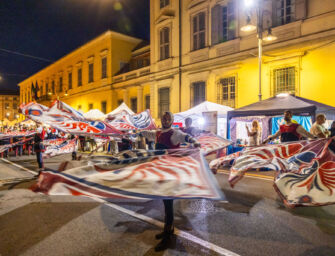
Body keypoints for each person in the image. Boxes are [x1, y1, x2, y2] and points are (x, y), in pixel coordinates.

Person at [140, 111, 200, 251]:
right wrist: (139, 133)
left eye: (168, 118)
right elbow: (147, 134)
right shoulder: (159, 133)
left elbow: (186, 137)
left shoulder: (175, 133)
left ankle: (168, 236)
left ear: (172, 120)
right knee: (165, 204)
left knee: (168, 204)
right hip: (161, 173)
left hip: (171, 174)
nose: (166, 120)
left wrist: (194, 142)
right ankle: (169, 230)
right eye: (164, 118)